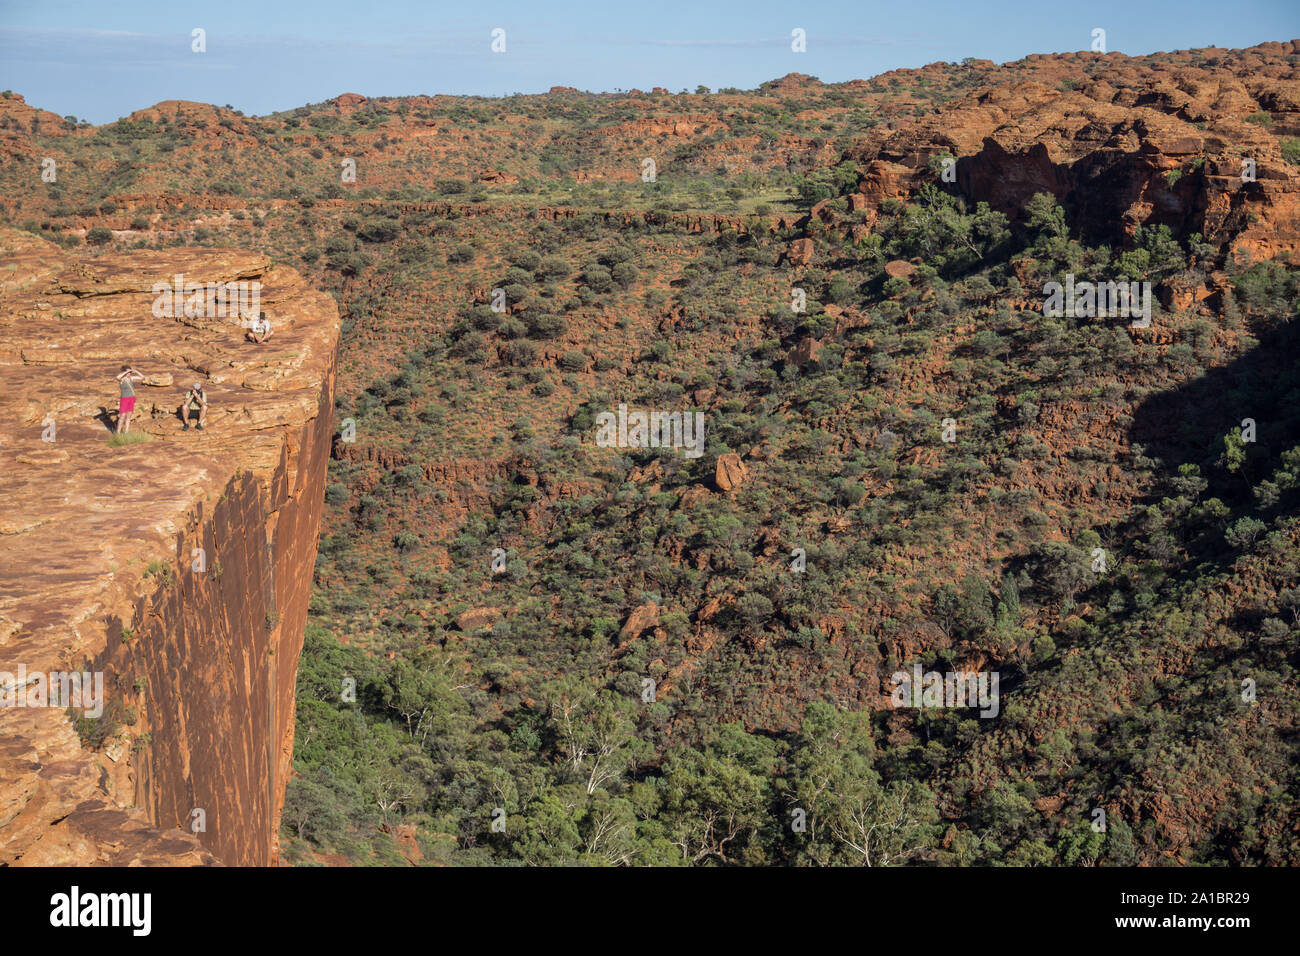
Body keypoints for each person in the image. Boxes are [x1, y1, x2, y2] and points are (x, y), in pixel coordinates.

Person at [115, 365, 144, 434]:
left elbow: (142, 377)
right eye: (128, 372)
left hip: (131, 398)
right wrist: (126, 372)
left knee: (129, 416)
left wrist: (135, 371)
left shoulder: (131, 378)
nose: (129, 373)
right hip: (124, 399)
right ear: (124, 372)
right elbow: (117, 377)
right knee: (122, 416)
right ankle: (118, 433)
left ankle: (126, 432)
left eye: (130, 372)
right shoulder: (122, 379)